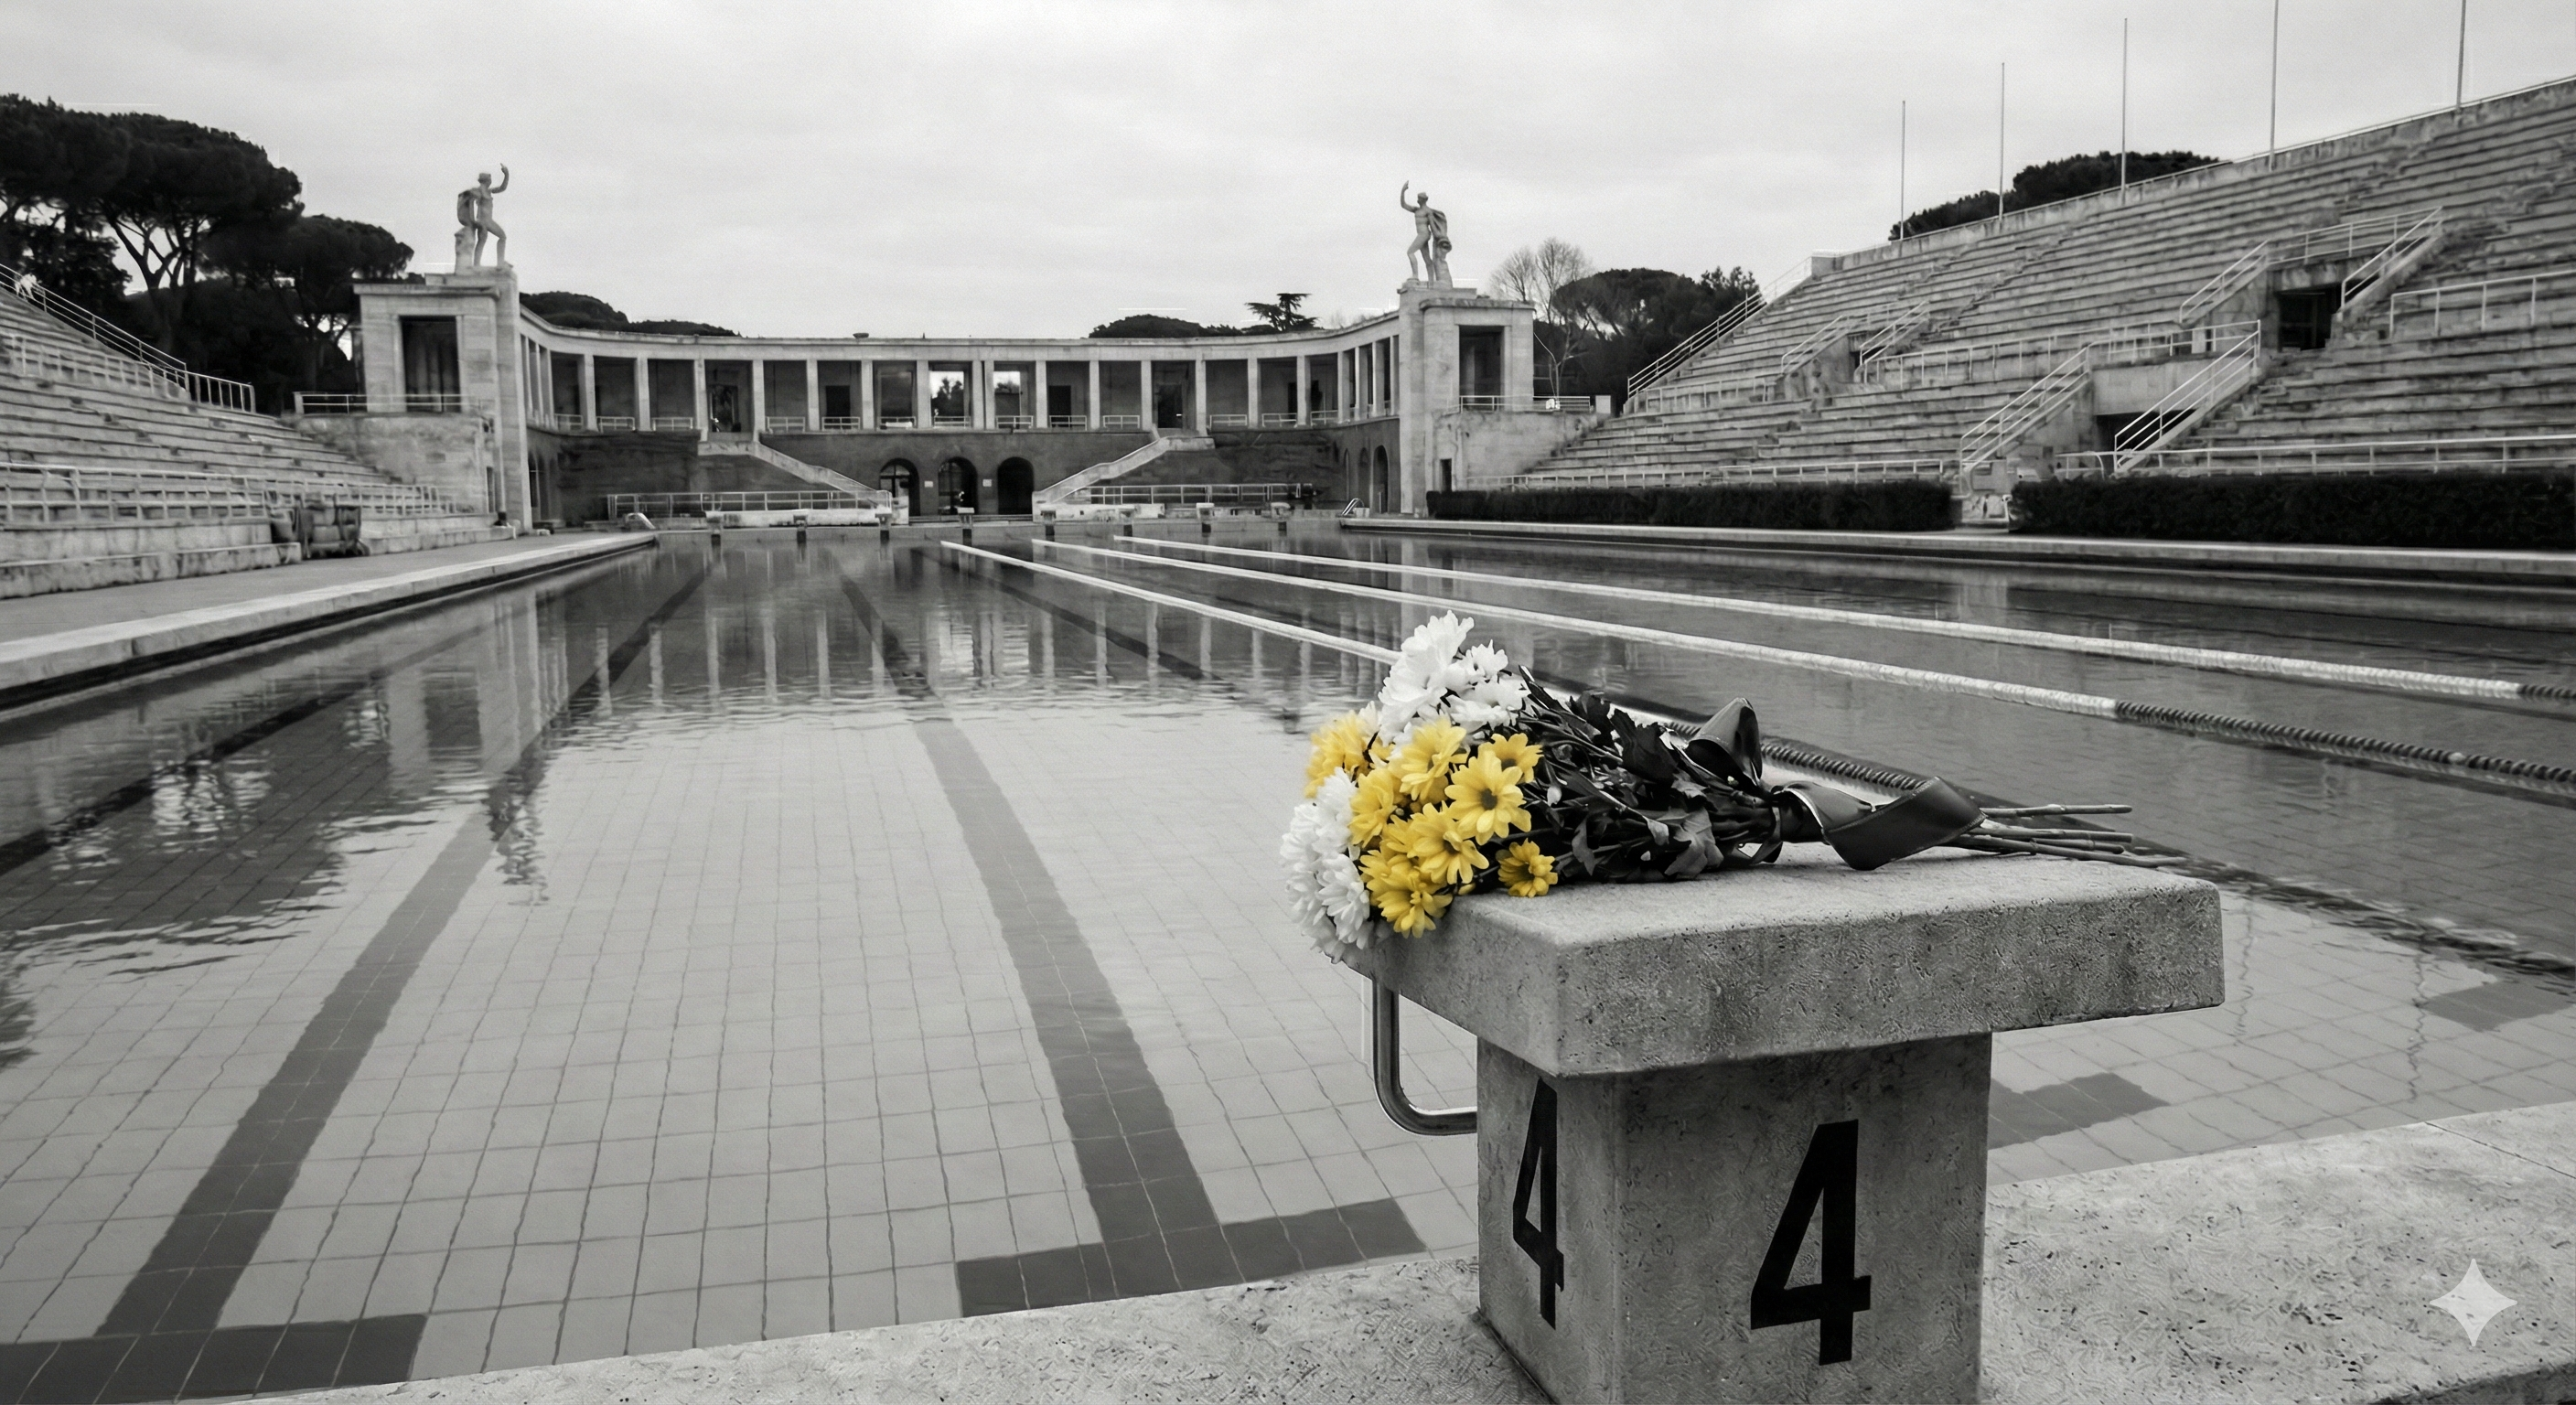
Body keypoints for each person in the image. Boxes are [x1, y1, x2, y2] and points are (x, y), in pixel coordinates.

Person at [456, 165, 510, 267]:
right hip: (483, 221)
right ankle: (477, 264)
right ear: (486, 180)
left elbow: (502, 188)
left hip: (488, 220)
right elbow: (470, 205)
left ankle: (499, 263)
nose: (491, 181)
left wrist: (506, 174)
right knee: (485, 240)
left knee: (492, 239)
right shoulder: (477, 191)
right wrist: (475, 222)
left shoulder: (489, 191)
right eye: (490, 179)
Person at [1400, 183, 1451, 285]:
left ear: (1422, 200)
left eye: (1418, 198)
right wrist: (1403, 191)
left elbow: (1433, 224)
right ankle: (1431, 282)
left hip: (1424, 234)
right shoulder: (1416, 210)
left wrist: (1438, 236)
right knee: (1427, 259)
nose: (1417, 200)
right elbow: (1403, 205)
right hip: (1422, 235)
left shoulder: (1428, 211)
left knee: (1410, 252)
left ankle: (1415, 276)